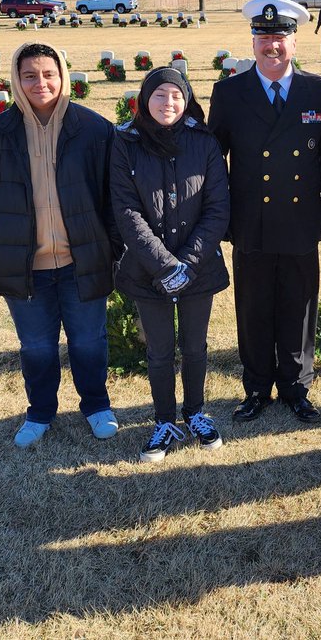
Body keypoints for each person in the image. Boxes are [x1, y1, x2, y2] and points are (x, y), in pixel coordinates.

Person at [0, 43, 120, 448]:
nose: (40, 83)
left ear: (62, 75)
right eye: (29, 76)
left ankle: (96, 405)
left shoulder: (94, 129)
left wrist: (111, 247)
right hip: (25, 264)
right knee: (36, 346)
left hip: (81, 259)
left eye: (49, 74)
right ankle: (40, 412)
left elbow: (114, 196)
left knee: (88, 341)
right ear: (16, 80)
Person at [208, 0, 321, 424]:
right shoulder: (229, 93)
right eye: (263, 37)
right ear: (252, 42)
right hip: (251, 222)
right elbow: (213, 161)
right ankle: (258, 387)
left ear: (295, 42)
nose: (272, 45)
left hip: (301, 221)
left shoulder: (319, 91)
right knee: (254, 307)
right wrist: (223, 218)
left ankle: (297, 387)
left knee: (299, 307)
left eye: (280, 36)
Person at [112, 68, 231, 461]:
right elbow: (127, 212)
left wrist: (188, 264)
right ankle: (164, 420)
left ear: (187, 100)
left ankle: (195, 412)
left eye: (176, 95)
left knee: (195, 347)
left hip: (199, 266)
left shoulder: (204, 142)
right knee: (160, 351)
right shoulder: (125, 142)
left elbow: (217, 207)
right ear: (145, 99)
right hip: (148, 269)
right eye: (159, 95)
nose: (168, 103)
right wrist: (165, 267)